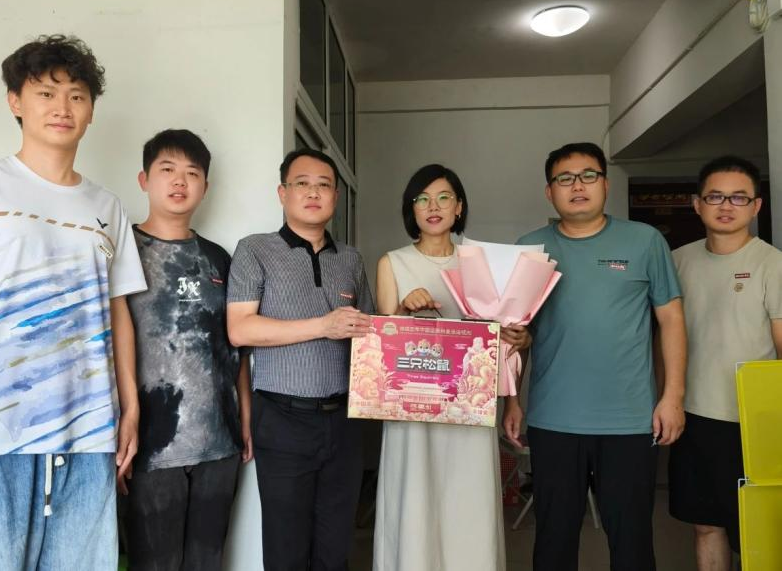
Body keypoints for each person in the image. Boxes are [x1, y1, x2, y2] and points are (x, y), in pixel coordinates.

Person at [0, 35, 146, 570]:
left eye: (77, 96)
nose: (63, 107)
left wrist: (130, 409)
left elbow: (118, 314)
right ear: (15, 101)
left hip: (89, 436)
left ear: (91, 112)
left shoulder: (107, 207)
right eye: (46, 93)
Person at [503, 142, 687, 571]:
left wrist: (673, 397)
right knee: (553, 539)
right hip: (554, 419)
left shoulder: (645, 241)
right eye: (564, 179)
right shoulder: (529, 249)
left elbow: (672, 320)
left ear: (605, 184)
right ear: (549, 192)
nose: (577, 186)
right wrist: (512, 400)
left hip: (629, 420)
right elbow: (516, 331)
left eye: (588, 175)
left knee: (632, 540)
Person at [374, 164, 529, 571]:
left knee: (469, 503)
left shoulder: (481, 264)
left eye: (444, 197)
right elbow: (380, 346)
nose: (433, 207)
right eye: (422, 199)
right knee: (414, 498)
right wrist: (402, 309)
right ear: (412, 209)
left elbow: (503, 338)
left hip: (470, 410)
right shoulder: (392, 262)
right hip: (412, 412)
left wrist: (518, 346)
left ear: (459, 207)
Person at [226, 148, 374, 571]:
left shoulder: (351, 259)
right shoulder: (255, 250)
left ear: (336, 198)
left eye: (324, 185)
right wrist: (323, 325)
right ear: (282, 193)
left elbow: (370, 336)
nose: (313, 192)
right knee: (286, 548)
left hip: (344, 421)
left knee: (335, 549)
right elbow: (240, 329)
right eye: (302, 183)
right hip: (282, 418)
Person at [123, 128, 252, 570]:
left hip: (219, 442)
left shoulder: (219, 258)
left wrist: (245, 418)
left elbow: (235, 347)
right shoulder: (122, 253)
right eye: (167, 170)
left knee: (207, 561)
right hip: (149, 446)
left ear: (205, 186)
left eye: (192, 173)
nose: (180, 181)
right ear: (144, 179)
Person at [668, 156, 782, 571]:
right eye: (715, 196)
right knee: (705, 525)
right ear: (697, 204)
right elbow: (664, 338)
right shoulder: (676, 261)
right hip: (693, 416)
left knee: (756, 529)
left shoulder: (773, 264)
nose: (726, 206)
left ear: (756, 206)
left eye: (739, 197)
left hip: (753, 423)